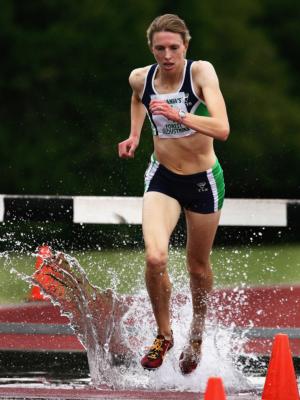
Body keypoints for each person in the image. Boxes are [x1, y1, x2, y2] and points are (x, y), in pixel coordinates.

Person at [118, 14, 229, 374]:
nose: (167, 55)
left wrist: (179, 116)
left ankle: (196, 333)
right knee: (155, 258)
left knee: (197, 266)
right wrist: (135, 134)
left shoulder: (200, 73)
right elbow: (138, 99)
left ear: (186, 45)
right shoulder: (141, 77)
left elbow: (223, 128)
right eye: (160, 48)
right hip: (162, 177)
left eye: (174, 48)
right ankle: (164, 334)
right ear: (151, 48)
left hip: (203, 181)